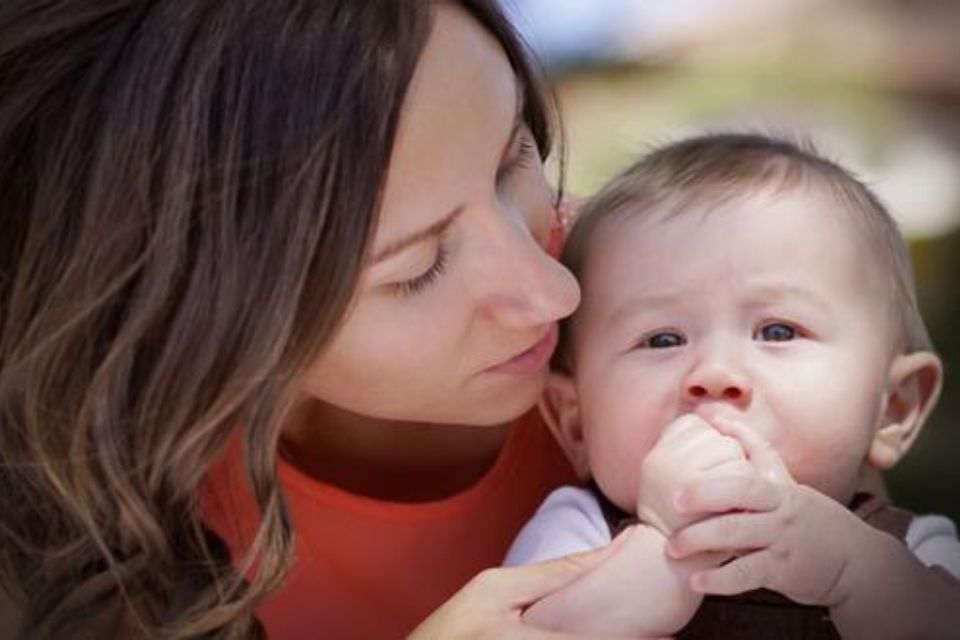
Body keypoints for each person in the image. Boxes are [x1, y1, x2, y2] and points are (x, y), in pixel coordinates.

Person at [0, 2, 618, 638]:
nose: (555, 291)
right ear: (202, 316)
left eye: (512, 160)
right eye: (418, 268)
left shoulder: (683, 313)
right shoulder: (88, 521)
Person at [506, 133, 960, 638]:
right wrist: (661, 553)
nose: (715, 374)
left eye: (778, 331)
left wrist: (855, 577)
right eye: (662, 339)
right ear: (575, 422)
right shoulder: (577, 533)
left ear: (893, 408)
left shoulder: (915, 552)